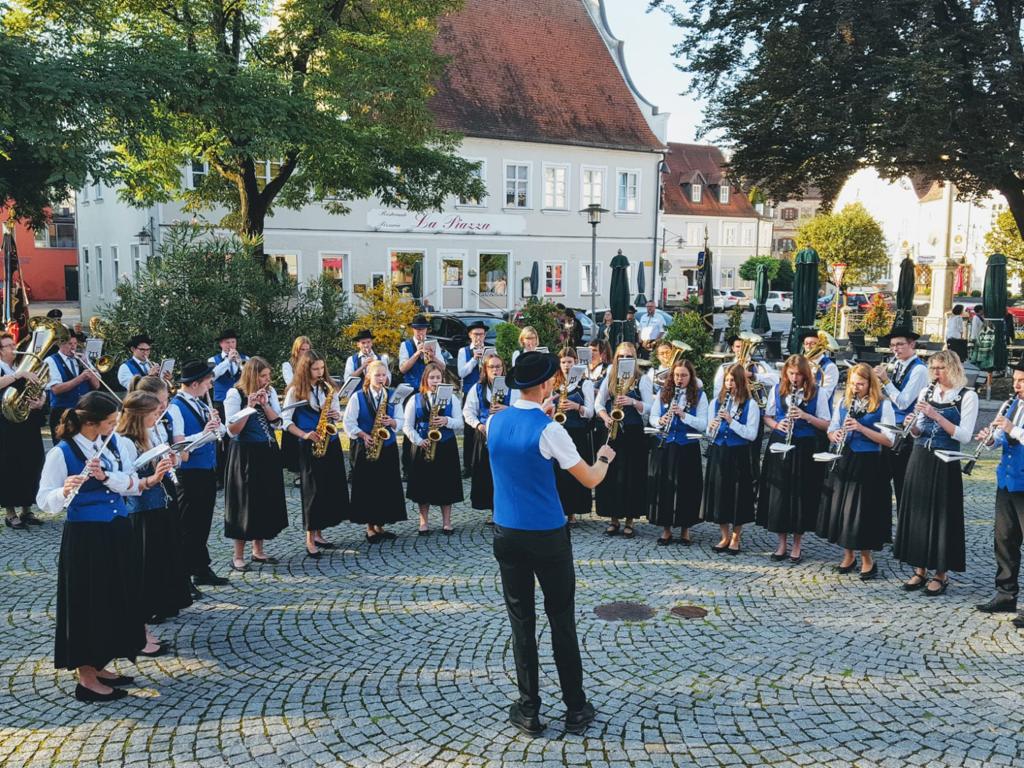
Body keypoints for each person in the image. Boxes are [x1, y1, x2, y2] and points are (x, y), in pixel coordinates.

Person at [486, 351, 616, 736]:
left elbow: (519, 427)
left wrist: (539, 410)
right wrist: (606, 457)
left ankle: (528, 709)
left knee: (521, 622)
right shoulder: (550, 430)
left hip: (507, 532)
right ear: (545, 385)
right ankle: (575, 707)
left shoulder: (493, 421)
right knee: (561, 620)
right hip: (546, 534)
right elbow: (590, 478)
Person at [36, 391, 144, 702]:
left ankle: (100, 663)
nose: (116, 426)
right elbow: (44, 501)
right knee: (88, 603)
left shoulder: (105, 447)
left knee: (112, 598)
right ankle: (86, 678)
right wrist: (65, 490)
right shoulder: (62, 453)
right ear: (92, 424)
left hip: (116, 532)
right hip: (86, 538)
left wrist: (107, 475)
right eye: (111, 422)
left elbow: (130, 484)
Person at [893, 350, 978, 596]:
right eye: (934, 369)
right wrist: (912, 426)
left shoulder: (967, 396)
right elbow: (919, 429)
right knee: (917, 513)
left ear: (953, 368)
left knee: (942, 514)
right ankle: (919, 569)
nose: (937, 373)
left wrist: (936, 415)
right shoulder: (926, 392)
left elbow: (964, 435)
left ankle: (941, 574)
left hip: (945, 459)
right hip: (920, 456)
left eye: (941, 368)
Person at [816, 363, 895, 579]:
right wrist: (835, 435)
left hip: (869, 462)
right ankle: (848, 554)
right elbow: (831, 429)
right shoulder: (844, 402)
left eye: (860, 383)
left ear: (871, 383)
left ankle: (868, 559)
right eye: (852, 383)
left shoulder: (882, 405)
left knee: (862, 511)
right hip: (845, 458)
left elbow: (889, 440)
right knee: (843, 508)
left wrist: (861, 428)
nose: (855, 387)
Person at [115, 391, 176, 658]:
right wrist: (154, 475)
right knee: (140, 575)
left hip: (156, 508)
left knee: (153, 572)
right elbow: (129, 482)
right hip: (139, 513)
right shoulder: (126, 442)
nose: (157, 417)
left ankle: (143, 630)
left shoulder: (147, 436)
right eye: (153, 413)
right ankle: (139, 635)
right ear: (140, 416)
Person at [129, 375, 193, 620]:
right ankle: (151, 604)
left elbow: (174, 454)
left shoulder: (155, 425)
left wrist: (170, 458)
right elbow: (130, 468)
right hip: (145, 498)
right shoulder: (130, 434)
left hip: (163, 489)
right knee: (151, 552)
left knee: (168, 545)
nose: (165, 407)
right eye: (161, 402)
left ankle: (169, 598)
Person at [756, 355, 831, 563]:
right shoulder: (777, 389)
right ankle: (781, 543)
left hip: (804, 447)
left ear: (806, 374)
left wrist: (806, 416)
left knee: (800, 494)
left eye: (798, 374)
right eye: (791, 374)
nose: (794, 378)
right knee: (779, 494)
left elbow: (827, 424)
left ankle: (797, 544)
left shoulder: (818, 393)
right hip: (780, 444)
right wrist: (777, 425)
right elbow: (768, 416)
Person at [223, 357, 288, 572]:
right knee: (244, 502)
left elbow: (277, 422)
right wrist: (249, 406)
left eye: (268, 376)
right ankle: (238, 555)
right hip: (245, 453)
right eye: (263, 376)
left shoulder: (267, 393)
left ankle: (258, 550)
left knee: (263, 499)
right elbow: (232, 430)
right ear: (252, 375)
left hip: (267, 451)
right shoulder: (235, 394)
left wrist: (265, 403)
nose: (267, 380)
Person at [168, 360, 227, 593]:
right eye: (208, 381)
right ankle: (183, 574)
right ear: (194, 383)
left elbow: (217, 432)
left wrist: (217, 425)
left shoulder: (200, 403)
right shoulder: (176, 406)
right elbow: (179, 444)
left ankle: (201, 568)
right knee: (188, 525)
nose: (211, 385)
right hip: (189, 473)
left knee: (202, 523)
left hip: (205, 470)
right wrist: (204, 433)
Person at [284, 352, 349, 555]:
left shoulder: (328, 387)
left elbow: (337, 414)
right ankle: (310, 538)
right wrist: (304, 435)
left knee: (327, 489)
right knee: (312, 491)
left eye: (322, 368)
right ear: (305, 369)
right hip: (308, 443)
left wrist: (336, 415)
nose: (320, 372)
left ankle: (320, 533)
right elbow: (284, 421)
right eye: (315, 369)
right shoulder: (295, 390)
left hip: (329, 442)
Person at [976, 362, 1024, 622]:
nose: (1016, 385)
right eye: (1016, 379)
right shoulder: (1014, 405)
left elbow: (1016, 434)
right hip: (1006, 481)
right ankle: (1005, 594)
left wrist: (1010, 429)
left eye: (1022, 380)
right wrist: (992, 439)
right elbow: (1004, 439)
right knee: (1004, 540)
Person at [343, 360, 407, 543]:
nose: (381, 378)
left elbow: (401, 418)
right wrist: (363, 435)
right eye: (377, 375)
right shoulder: (357, 397)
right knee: (368, 486)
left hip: (387, 446)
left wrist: (392, 422)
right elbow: (348, 423)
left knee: (386, 486)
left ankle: (381, 525)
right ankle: (370, 527)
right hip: (366, 445)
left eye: (383, 375)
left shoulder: (393, 395)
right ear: (368, 376)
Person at [594, 342, 652, 538]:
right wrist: (605, 418)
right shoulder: (610, 376)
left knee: (631, 476)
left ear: (634, 358)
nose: (624, 359)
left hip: (633, 433)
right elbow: (598, 403)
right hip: (612, 431)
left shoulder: (641, 379)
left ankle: (629, 520)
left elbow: (649, 407)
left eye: (629, 356)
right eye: (621, 356)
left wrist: (632, 402)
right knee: (611, 475)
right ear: (616, 357)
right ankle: (613, 519)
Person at [701, 363, 761, 554]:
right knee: (720, 495)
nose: (729, 384)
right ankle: (724, 536)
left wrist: (730, 421)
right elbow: (709, 433)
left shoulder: (750, 405)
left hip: (738, 455)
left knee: (737, 495)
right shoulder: (715, 403)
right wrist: (711, 426)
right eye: (727, 380)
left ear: (741, 382)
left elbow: (751, 434)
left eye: (733, 380)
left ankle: (736, 537)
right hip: (719, 452)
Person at [647, 359, 707, 545]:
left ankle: (685, 529)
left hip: (687, 446)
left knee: (686, 487)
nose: (680, 379)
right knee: (666, 486)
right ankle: (666, 529)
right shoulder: (664, 393)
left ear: (691, 377)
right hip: (666, 445)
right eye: (677, 375)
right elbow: (653, 417)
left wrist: (683, 415)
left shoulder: (699, 395)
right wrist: (661, 421)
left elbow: (703, 424)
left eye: (684, 375)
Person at [403, 361, 464, 535]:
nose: (435, 381)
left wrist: (446, 421)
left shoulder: (452, 398)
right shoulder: (415, 399)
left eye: (438, 377)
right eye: (432, 377)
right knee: (423, 485)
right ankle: (423, 523)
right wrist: (419, 440)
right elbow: (407, 426)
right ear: (425, 379)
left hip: (446, 445)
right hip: (424, 444)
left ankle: (447, 522)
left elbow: (460, 423)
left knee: (447, 484)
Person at [873, 330, 928, 514]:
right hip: (890, 426)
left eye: (899, 344)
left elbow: (904, 402)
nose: (895, 349)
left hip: (905, 429)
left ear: (912, 344)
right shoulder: (897, 363)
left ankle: (905, 534)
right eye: (893, 345)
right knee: (881, 480)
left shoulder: (919, 369)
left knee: (901, 482)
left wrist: (886, 380)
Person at [0, 332, 46, 528]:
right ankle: (10, 513)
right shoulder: (12, 370)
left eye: (13, 344)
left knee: (32, 462)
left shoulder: (20, 366)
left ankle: (27, 509)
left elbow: (41, 388)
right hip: (5, 426)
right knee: (10, 467)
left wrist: (40, 402)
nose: (13, 348)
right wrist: (18, 375)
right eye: (8, 346)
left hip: (27, 423)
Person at [463, 353, 516, 524]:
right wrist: (479, 425)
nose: (495, 370)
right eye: (491, 367)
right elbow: (467, 412)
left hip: (507, 436)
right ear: (485, 369)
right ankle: (494, 512)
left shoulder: (512, 388)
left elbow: (520, 409)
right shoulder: (477, 388)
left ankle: (507, 511)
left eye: (498, 366)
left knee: (506, 474)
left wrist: (506, 409)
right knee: (487, 474)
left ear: (503, 368)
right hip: (485, 435)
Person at [544, 348, 593, 525]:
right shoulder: (553, 383)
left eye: (569, 362)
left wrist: (575, 406)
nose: (566, 366)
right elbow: (545, 408)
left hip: (576, 433)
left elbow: (590, 412)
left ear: (575, 362)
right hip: (557, 432)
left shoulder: (584, 383)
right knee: (558, 473)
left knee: (573, 471)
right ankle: (559, 510)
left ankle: (573, 511)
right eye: (563, 362)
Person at [45, 328, 100, 443]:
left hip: (83, 411)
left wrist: (86, 365)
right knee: (65, 446)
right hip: (62, 412)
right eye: (70, 344)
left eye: (75, 344)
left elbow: (96, 385)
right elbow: (56, 389)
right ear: (61, 344)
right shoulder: (51, 361)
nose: (73, 347)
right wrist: (80, 379)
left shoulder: (81, 359)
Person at [209, 329, 248, 478]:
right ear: (221, 344)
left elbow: (249, 376)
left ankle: (238, 470)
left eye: (233, 342)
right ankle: (220, 475)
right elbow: (212, 376)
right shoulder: (213, 360)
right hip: (220, 402)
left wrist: (239, 363)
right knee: (222, 439)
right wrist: (227, 361)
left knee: (239, 435)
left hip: (240, 401)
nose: (231, 345)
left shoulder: (245, 358)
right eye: (227, 342)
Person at [458, 320, 489, 477]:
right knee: (469, 430)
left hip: (485, 394)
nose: (479, 337)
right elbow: (461, 373)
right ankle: (468, 466)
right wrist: (474, 359)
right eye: (476, 334)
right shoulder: (464, 351)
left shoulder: (489, 349)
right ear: (470, 335)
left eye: (481, 334)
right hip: (469, 392)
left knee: (485, 427)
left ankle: (481, 461)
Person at [280, 335, 311, 478]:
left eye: (307, 349)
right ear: (296, 351)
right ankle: (297, 471)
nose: (304, 353)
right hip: (295, 402)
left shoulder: (312, 363)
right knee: (295, 434)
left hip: (308, 403)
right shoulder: (288, 365)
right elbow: (291, 383)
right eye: (301, 350)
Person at [800, 330, 839, 409]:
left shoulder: (830, 367)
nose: (808, 346)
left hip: (820, 413)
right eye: (806, 343)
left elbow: (825, 396)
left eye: (813, 344)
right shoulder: (800, 363)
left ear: (821, 345)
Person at [398, 314, 434, 388]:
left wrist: (433, 357)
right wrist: (417, 354)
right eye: (418, 329)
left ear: (426, 329)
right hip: (411, 387)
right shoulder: (405, 345)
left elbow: (443, 367)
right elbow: (402, 369)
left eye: (423, 329)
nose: (421, 332)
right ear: (413, 329)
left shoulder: (433, 343)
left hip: (429, 386)